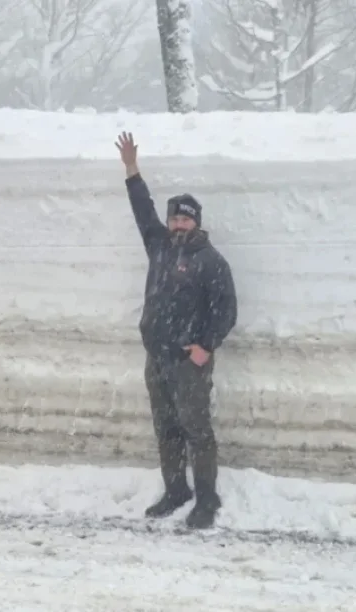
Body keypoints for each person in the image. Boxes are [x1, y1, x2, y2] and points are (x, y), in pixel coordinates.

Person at [114, 131, 238, 529]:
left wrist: (205, 346)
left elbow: (226, 311)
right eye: (174, 218)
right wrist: (131, 168)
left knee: (196, 429)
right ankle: (176, 490)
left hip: (189, 360)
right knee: (166, 427)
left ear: (196, 221)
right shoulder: (160, 246)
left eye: (185, 218)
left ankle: (207, 497)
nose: (178, 224)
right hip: (158, 358)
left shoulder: (211, 261)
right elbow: (142, 209)